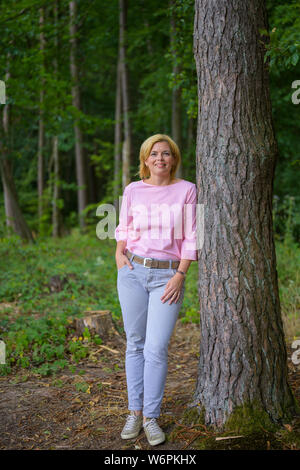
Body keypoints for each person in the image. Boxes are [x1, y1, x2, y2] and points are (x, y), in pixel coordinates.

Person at [114, 134, 198, 446]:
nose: (160, 158)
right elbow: (124, 226)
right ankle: (134, 412)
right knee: (135, 344)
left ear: (174, 159)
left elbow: (192, 235)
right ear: (145, 160)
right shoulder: (133, 189)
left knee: (156, 347)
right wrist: (119, 254)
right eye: (154, 154)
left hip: (168, 276)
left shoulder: (187, 190)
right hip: (133, 272)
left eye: (166, 153)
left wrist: (180, 274)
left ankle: (151, 416)